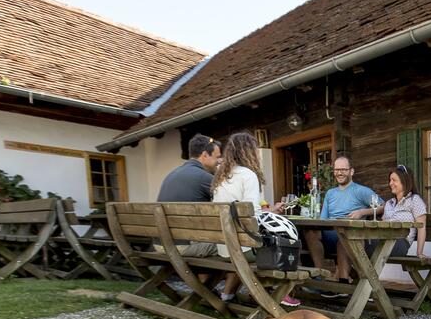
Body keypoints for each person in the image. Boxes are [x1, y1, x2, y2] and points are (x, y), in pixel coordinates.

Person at [211, 131, 300, 307]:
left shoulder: (221, 176)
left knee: (262, 246)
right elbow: (253, 216)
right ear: (249, 152)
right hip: (241, 248)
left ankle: (229, 295)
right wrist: (272, 217)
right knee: (290, 245)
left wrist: (269, 212)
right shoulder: (248, 175)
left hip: (223, 247)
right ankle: (279, 293)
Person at [304, 155, 379, 291]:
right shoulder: (330, 193)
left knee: (344, 237)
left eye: (343, 169)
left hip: (351, 236)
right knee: (310, 232)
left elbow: (383, 206)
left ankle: (343, 283)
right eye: (337, 170)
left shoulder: (361, 191)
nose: (339, 173)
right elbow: (323, 220)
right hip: (331, 234)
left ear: (351, 171)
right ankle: (320, 277)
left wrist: (362, 212)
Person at [156, 134, 221, 257]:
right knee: (236, 247)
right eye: (217, 157)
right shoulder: (205, 177)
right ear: (205, 155)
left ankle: (205, 277)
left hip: (161, 243)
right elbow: (229, 204)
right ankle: (226, 277)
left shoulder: (172, 174)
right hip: (182, 246)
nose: (219, 161)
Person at [367, 164, 427, 258]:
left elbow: (421, 227)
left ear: (404, 181)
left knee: (357, 243)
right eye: (390, 180)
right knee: (349, 243)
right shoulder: (389, 203)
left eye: (394, 180)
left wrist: (419, 253)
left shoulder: (414, 200)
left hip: (400, 244)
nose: (390, 183)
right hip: (383, 238)